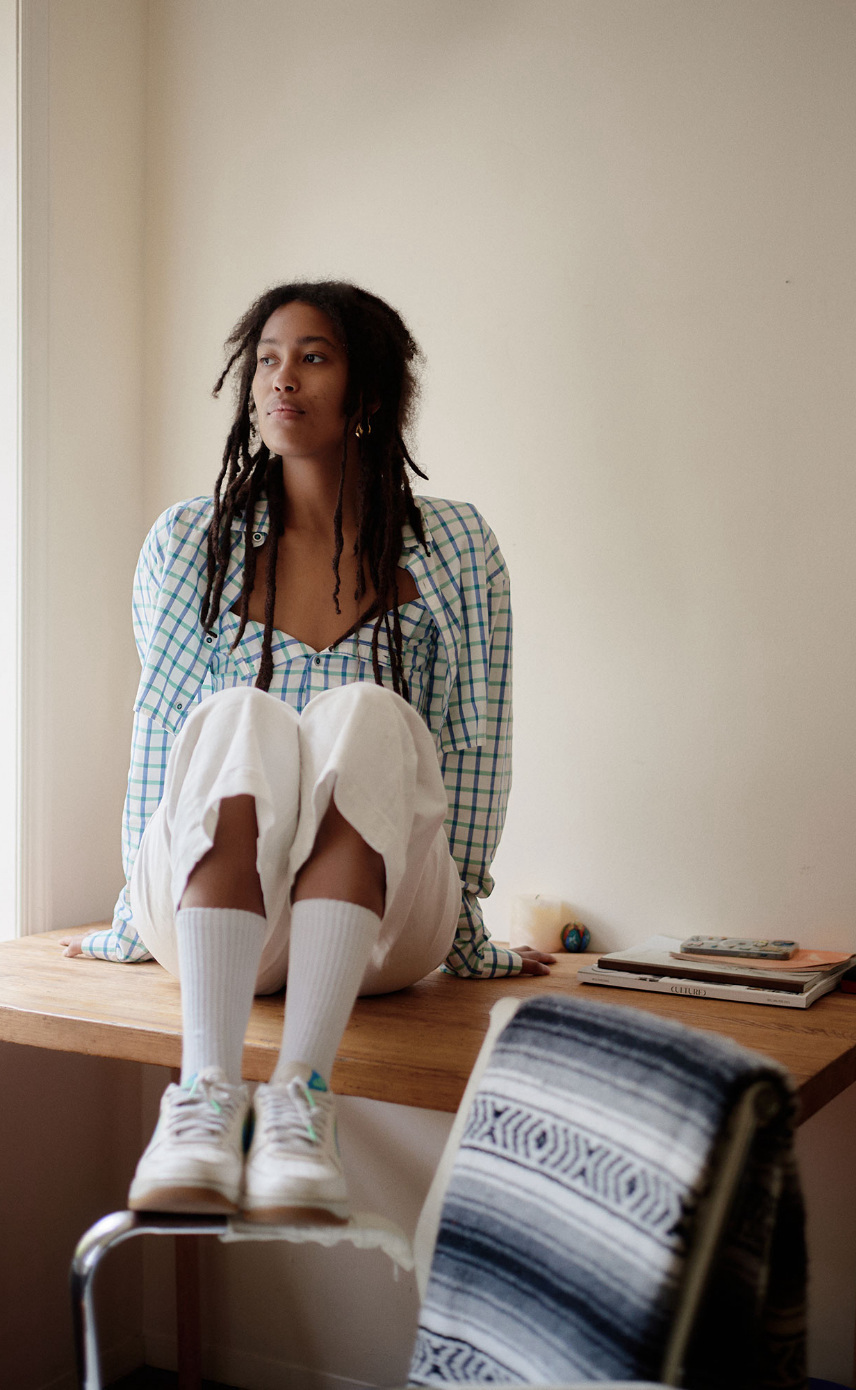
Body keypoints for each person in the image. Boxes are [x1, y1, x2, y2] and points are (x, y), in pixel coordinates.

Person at [64, 281, 553, 1224]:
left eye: (315, 357)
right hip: (217, 913)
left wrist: (469, 936)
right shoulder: (191, 544)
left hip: (377, 929)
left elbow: (475, 744)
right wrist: (132, 917)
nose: (283, 379)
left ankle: (301, 1098)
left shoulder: (454, 546)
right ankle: (203, 1101)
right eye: (268, 359)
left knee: (368, 711)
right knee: (238, 715)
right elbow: (162, 737)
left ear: (368, 392)